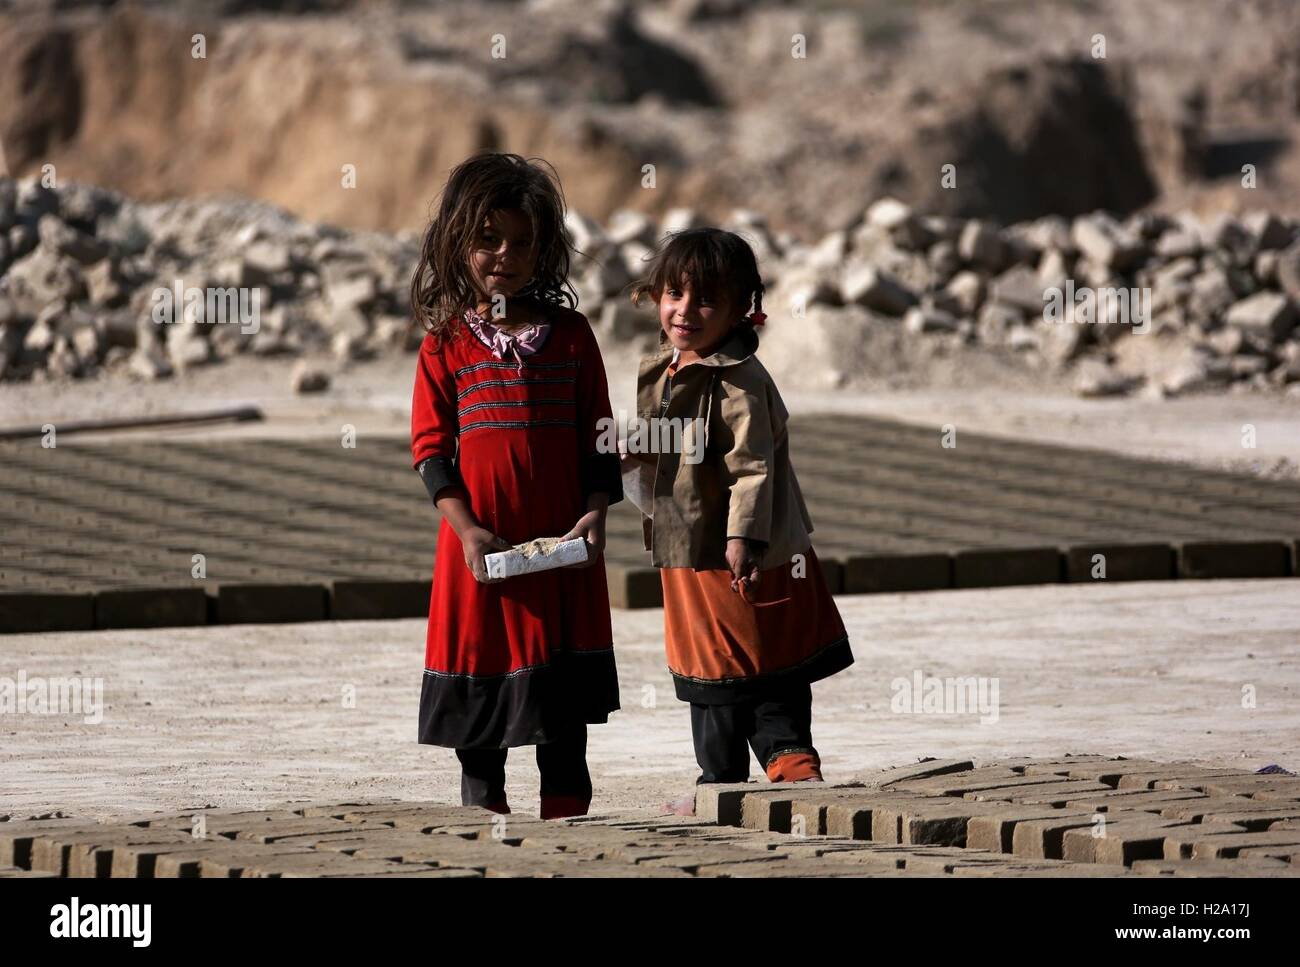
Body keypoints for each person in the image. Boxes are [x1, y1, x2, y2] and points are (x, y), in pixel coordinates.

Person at [408, 152, 622, 819]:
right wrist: (468, 529)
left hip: (561, 556)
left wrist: (595, 517)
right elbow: (431, 451)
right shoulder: (443, 347)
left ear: (545, 249)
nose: (506, 255)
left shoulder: (571, 338)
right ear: (456, 244)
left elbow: (600, 441)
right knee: (482, 722)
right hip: (480, 560)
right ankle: (485, 828)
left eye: (523, 242)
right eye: (489, 239)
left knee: (562, 722)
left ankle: (568, 832)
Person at [626, 227, 852, 812]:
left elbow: (753, 468)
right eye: (674, 293)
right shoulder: (672, 371)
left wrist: (742, 535)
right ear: (655, 295)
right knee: (708, 664)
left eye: (705, 299)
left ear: (740, 309)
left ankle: (791, 769)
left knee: (762, 660)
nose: (685, 310)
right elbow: (668, 449)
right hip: (687, 545)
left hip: (742, 552)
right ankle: (719, 784)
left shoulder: (739, 381)